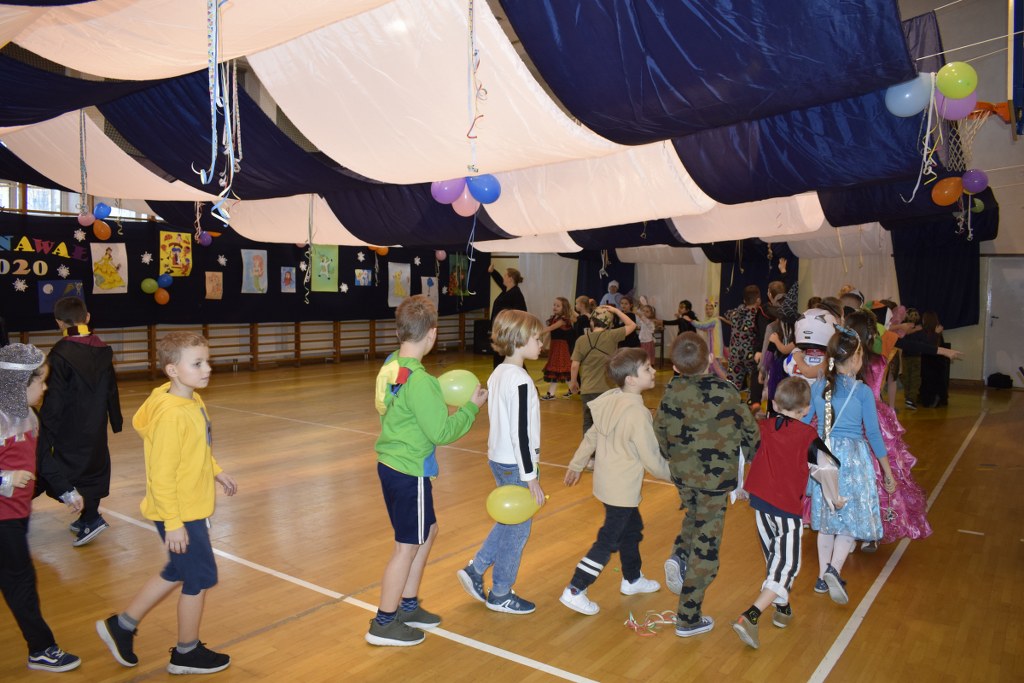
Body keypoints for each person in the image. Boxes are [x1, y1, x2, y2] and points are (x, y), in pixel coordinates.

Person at [96, 332, 238, 674]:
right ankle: (186, 653)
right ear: (172, 370)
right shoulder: (172, 415)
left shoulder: (188, 399)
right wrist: (173, 523)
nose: (207, 369)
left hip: (188, 507)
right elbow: (160, 475)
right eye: (197, 363)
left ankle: (122, 625)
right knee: (199, 578)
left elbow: (197, 449)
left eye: (207, 361)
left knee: (177, 570)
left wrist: (215, 471)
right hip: (180, 513)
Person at [366, 296, 487, 646]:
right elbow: (441, 433)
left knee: (428, 530)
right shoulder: (422, 382)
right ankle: (384, 623)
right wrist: (470, 409)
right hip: (410, 472)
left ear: (400, 331)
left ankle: (408, 605)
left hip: (392, 466)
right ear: (432, 334)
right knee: (406, 546)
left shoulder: (392, 364)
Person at [654, 332, 760, 638]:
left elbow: (659, 431)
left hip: (683, 475)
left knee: (694, 515)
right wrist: (753, 463)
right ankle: (688, 618)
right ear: (711, 359)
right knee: (707, 548)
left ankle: (679, 555)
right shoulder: (727, 391)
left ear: (675, 366)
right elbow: (751, 433)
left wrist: (673, 456)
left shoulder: (671, 392)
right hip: (715, 480)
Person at [560, 349, 671, 615]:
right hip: (622, 489)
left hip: (608, 484)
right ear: (631, 379)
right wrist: (678, 476)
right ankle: (575, 588)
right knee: (609, 539)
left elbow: (592, 436)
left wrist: (576, 464)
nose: (654, 371)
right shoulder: (638, 413)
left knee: (632, 530)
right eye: (647, 369)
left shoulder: (610, 399)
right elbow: (651, 458)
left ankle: (632, 579)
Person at [731, 377, 836, 649]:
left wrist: (739, 486)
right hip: (787, 510)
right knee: (787, 565)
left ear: (775, 405)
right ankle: (751, 615)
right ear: (806, 409)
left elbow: (741, 451)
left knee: (775, 560)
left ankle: (783, 607)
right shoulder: (808, 435)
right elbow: (827, 468)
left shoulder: (763, 426)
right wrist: (835, 498)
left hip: (760, 505)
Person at [1, 344, 82, 673]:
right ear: (20, 384)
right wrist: (5, 478)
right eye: (41, 381)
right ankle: (42, 648)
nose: (45, 387)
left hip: (17, 514)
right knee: (20, 581)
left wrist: (66, 491)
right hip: (3, 518)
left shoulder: (29, 416)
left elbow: (42, 460)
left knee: (17, 579)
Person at [458, 310, 544, 614]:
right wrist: (530, 476)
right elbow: (520, 432)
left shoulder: (499, 373)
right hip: (516, 465)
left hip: (499, 459)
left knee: (509, 521)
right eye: (536, 338)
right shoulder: (520, 380)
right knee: (518, 531)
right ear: (519, 340)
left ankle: (476, 569)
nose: (541, 343)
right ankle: (501, 593)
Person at [804, 327, 895, 605]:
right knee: (848, 523)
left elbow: (805, 423)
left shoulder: (818, 386)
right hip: (853, 461)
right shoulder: (863, 392)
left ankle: (821, 578)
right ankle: (834, 569)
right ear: (855, 358)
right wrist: (888, 471)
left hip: (824, 458)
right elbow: (874, 434)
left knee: (826, 523)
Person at [35, 296, 123, 547]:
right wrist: (115, 419)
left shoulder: (59, 355)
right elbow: (111, 389)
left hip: (69, 425)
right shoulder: (103, 349)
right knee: (94, 465)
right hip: (95, 422)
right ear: (87, 318)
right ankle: (88, 516)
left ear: (59, 323)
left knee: (65, 468)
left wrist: (45, 428)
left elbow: (54, 398)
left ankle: (91, 517)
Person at [845, 311, 933, 548]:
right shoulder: (879, 361)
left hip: (847, 419)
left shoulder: (839, 359)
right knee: (875, 475)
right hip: (873, 420)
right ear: (870, 334)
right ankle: (870, 531)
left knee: (849, 475)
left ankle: (848, 529)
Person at [569, 306, 636, 435]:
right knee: (607, 423)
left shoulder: (581, 340)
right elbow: (632, 325)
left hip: (588, 389)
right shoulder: (612, 335)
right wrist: (616, 311)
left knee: (588, 422)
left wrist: (573, 382)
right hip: (608, 390)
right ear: (609, 324)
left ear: (591, 322)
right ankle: (605, 447)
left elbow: (574, 365)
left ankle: (589, 447)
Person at [723, 285, 762, 404]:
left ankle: (729, 404)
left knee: (732, 381)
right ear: (758, 300)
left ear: (744, 300)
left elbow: (726, 313)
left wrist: (740, 309)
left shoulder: (735, 313)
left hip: (735, 354)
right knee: (754, 381)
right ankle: (751, 403)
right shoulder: (758, 315)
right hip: (750, 354)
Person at [487, 264, 527, 369]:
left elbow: (522, 313)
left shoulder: (516, 293)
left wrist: (512, 330)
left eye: (505, 275)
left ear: (510, 279)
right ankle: (500, 376)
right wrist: (493, 272)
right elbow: (499, 280)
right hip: (500, 330)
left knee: (507, 357)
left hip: (506, 332)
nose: (503, 277)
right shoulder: (507, 290)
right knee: (502, 357)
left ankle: (521, 377)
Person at [540, 298, 575, 400]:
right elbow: (550, 333)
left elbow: (550, 328)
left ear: (564, 308)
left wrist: (536, 333)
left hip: (561, 347)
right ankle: (573, 389)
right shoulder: (554, 318)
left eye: (558, 306)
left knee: (557, 369)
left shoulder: (563, 320)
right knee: (560, 370)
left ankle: (551, 394)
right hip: (554, 346)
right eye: (554, 305)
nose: (555, 307)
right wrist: (543, 345)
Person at [692, 299, 727, 379]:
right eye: (706, 309)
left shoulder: (714, 320)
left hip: (715, 348)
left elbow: (702, 325)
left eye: (710, 309)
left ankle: (727, 381)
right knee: (714, 367)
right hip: (713, 348)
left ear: (714, 310)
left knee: (718, 368)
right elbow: (704, 327)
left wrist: (691, 320)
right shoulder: (712, 320)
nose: (708, 311)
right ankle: (715, 381)